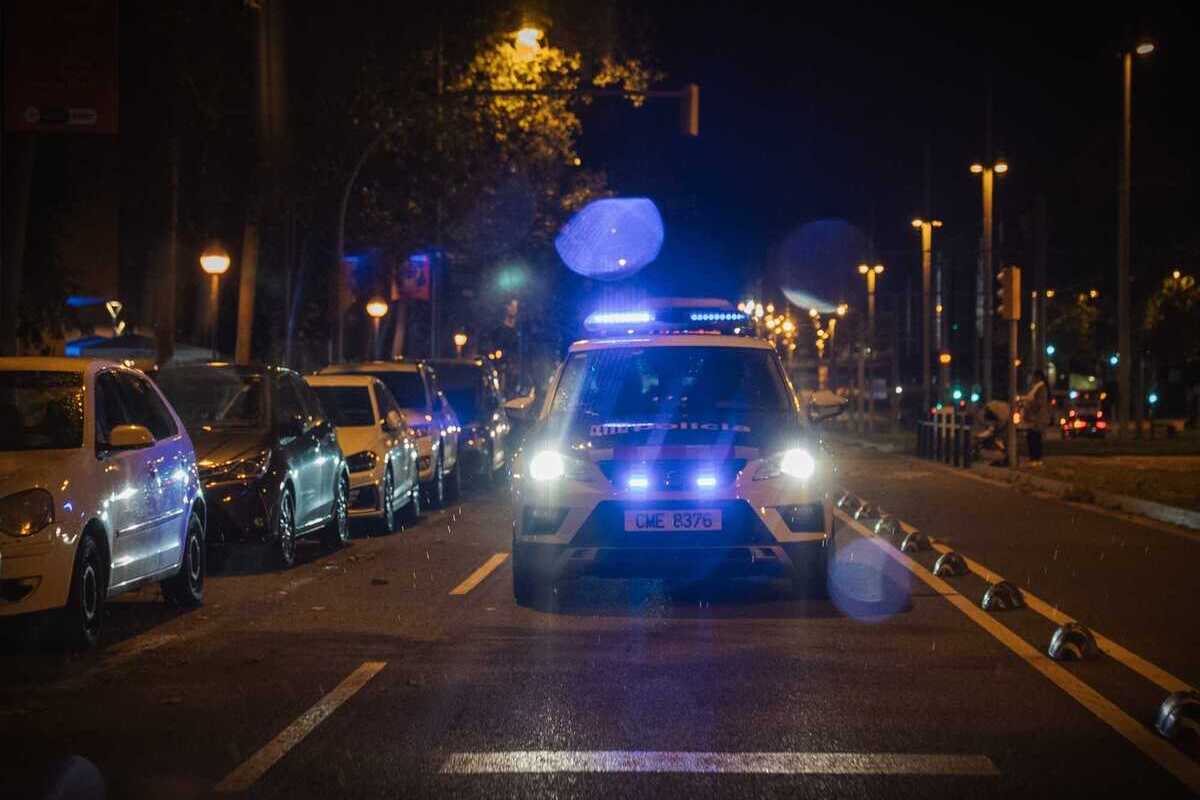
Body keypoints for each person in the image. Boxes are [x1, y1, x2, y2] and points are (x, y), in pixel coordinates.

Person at [1020, 369, 1050, 466]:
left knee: (1034, 438)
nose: (1032, 379)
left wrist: (1028, 405)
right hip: (1033, 418)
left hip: (1037, 418)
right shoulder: (1037, 387)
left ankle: (1036, 459)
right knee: (1032, 438)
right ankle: (1034, 459)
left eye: (1033, 377)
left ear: (1038, 377)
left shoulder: (1041, 388)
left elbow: (1039, 403)